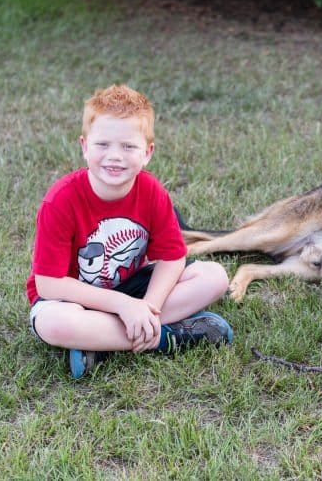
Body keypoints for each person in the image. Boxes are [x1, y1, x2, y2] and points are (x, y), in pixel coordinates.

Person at [26, 84, 232, 378]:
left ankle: (99, 342)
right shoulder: (61, 200)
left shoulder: (151, 191)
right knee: (53, 324)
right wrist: (122, 306)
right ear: (84, 146)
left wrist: (149, 307)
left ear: (147, 153)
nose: (115, 156)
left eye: (128, 146)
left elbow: (172, 259)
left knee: (214, 277)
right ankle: (165, 338)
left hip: (132, 286)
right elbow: (48, 285)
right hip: (73, 299)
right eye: (103, 145)